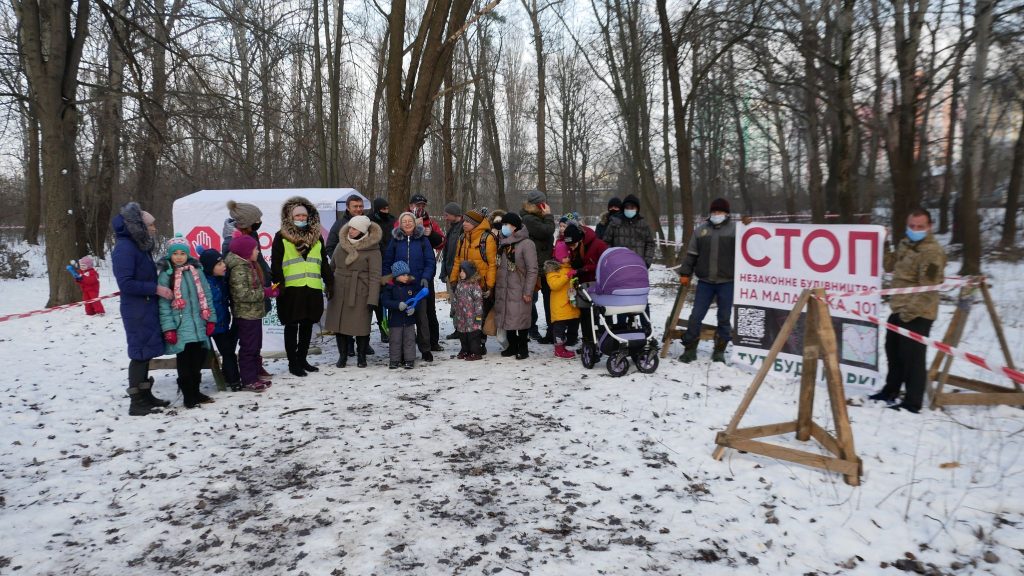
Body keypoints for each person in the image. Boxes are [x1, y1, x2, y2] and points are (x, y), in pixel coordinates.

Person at [870, 208, 947, 413]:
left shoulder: (932, 252)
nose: (915, 230)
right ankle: (890, 391)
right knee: (893, 352)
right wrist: (884, 242)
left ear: (929, 227)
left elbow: (929, 289)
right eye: (911, 226)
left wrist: (907, 315)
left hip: (918, 312)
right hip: (899, 307)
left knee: (913, 359)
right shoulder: (905, 243)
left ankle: (912, 403)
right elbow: (889, 266)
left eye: (920, 227)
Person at [112, 202, 173, 416]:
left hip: (146, 306)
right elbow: (126, 283)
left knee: (146, 352)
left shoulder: (138, 247)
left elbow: (141, 273)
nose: (155, 228)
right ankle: (137, 401)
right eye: (151, 225)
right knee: (139, 353)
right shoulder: (124, 248)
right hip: (137, 309)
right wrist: (155, 288)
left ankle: (146, 396)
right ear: (139, 226)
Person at [271, 196, 332, 377]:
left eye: (303, 216)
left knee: (307, 326)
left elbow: (323, 263)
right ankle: (293, 363)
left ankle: (302, 359)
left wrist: (331, 282)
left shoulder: (317, 237)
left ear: (309, 217)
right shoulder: (281, 237)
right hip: (290, 289)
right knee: (291, 326)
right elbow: (275, 264)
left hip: (311, 288)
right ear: (290, 217)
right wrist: (278, 285)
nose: (300, 219)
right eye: (297, 216)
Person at [157, 234, 218, 408]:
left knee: (198, 358)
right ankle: (188, 395)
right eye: (175, 253)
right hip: (180, 326)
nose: (178, 257)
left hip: (199, 323)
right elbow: (164, 305)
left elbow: (206, 295)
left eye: (182, 253)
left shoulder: (196, 271)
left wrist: (211, 319)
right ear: (169, 255)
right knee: (185, 361)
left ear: (187, 254)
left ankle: (196, 391)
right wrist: (169, 328)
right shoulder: (166, 276)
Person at [676, 198, 737, 364]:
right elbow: (691, 255)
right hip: (705, 282)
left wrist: (750, 226)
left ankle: (719, 351)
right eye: (714, 212)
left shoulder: (735, 230)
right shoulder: (701, 231)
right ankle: (690, 349)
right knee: (696, 315)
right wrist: (685, 273)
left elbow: (751, 246)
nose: (717, 214)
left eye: (720, 212)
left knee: (724, 317)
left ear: (726, 213)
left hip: (727, 281)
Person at [223, 200, 273, 381]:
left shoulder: (252, 234)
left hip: (257, 290)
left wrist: (267, 274)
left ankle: (255, 367)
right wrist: (260, 290)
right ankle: (241, 373)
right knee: (246, 338)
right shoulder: (232, 242)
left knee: (254, 338)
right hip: (245, 301)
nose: (259, 222)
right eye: (257, 219)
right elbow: (234, 275)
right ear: (246, 222)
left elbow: (258, 260)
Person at [325, 215, 382, 368]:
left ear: (363, 231)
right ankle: (342, 355)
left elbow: (375, 276)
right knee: (339, 325)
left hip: (360, 291)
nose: (351, 230)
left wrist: (372, 299)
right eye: (350, 227)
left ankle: (361, 356)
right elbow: (332, 267)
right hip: (339, 289)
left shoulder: (373, 249)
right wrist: (329, 287)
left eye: (355, 228)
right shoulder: (340, 245)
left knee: (361, 326)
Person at [383, 211, 438, 362]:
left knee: (422, 318)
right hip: (399, 287)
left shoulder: (422, 240)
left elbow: (430, 261)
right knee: (400, 319)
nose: (407, 224)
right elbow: (387, 262)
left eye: (410, 221)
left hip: (418, 284)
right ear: (400, 224)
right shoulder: (395, 240)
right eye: (404, 221)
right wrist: (389, 280)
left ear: (415, 223)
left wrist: (426, 277)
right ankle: (400, 351)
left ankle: (425, 349)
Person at [603, 194, 656, 331]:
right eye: (627, 207)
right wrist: (612, 261)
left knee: (641, 298)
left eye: (632, 207)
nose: (629, 209)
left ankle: (646, 326)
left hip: (638, 269)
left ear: (637, 209)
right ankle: (622, 327)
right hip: (619, 269)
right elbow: (606, 243)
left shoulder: (643, 224)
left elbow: (650, 244)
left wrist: (646, 262)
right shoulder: (615, 223)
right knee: (622, 299)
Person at [494, 212, 538, 360]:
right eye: (503, 225)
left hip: (519, 287)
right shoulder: (503, 242)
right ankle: (512, 346)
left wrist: (528, 291)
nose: (504, 228)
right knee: (508, 317)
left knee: (521, 318)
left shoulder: (526, 244)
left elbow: (532, 270)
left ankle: (523, 347)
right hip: (504, 287)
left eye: (507, 225)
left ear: (515, 226)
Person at [407, 194, 446, 351]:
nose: (420, 208)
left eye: (423, 205)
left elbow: (441, 243)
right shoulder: (403, 221)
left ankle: (432, 341)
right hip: (407, 273)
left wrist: (432, 234)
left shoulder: (431, 223)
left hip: (425, 272)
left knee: (429, 308)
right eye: (417, 205)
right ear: (410, 206)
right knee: (408, 306)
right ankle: (407, 340)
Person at [199, 248, 241, 390]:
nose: (224, 265)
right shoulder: (203, 283)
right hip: (208, 324)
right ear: (210, 268)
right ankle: (232, 379)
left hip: (222, 323)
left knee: (228, 352)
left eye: (223, 262)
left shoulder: (221, 280)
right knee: (206, 354)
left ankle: (233, 380)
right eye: (219, 264)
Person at [563, 223, 608, 347]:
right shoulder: (575, 248)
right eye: (569, 246)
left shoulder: (598, 245)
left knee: (598, 314)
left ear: (580, 239)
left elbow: (604, 264)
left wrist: (584, 269)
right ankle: (587, 341)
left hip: (597, 284)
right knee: (585, 314)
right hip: (582, 286)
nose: (571, 248)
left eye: (573, 245)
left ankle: (603, 340)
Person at [520, 189, 556, 343]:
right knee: (531, 299)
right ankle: (531, 328)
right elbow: (547, 231)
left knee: (550, 300)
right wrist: (548, 215)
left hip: (545, 264)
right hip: (536, 266)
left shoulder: (536, 217)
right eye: (543, 203)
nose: (546, 205)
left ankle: (551, 330)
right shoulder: (529, 218)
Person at [381, 261, 420, 369]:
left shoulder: (411, 286)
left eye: (407, 274)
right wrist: (397, 305)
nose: (406, 277)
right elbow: (385, 301)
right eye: (403, 275)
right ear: (396, 276)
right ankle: (394, 360)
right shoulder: (390, 287)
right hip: (395, 320)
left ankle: (409, 360)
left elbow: (416, 300)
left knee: (409, 340)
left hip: (409, 320)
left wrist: (414, 308)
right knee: (395, 341)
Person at [544, 241, 580, 359]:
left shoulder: (569, 267)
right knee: (559, 328)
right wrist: (567, 276)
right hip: (559, 305)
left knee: (572, 324)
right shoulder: (553, 269)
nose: (567, 259)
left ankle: (565, 344)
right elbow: (554, 285)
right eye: (565, 257)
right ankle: (558, 349)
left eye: (569, 256)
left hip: (569, 303)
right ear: (558, 257)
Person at [369, 197, 396, 343]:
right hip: (375, 264)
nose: (386, 211)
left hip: (391, 263)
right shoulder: (369, 221)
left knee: (392, 296)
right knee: (378, 300)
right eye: (383, 209)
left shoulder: (392, 220)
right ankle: (382, 328)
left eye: (387, 208)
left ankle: (393, 327)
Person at [439, 202, 465, 340]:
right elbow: (447, 251)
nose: (445, 217)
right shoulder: (452, 229)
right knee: (454, 302)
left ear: (455, 214)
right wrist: (444, 272)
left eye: (447, 215)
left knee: (461, 302)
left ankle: (463, 329)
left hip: (460, 273)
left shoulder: (463, 229)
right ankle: (458, 328)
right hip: (450, 272)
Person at [452, 261, 485, 361]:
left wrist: (478, 315)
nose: (461, 273)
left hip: (473, 317)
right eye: (460, 271)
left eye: (463, 271)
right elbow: (455, 298)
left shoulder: (474, 286)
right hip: (462, 317)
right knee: (463, 335)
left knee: (473, 336)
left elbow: (478, 301)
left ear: (469, 272)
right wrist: (453, 308)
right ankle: (465, 350)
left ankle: (475, 352)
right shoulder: (459, 285)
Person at [325, 194, 366, 261]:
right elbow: (330, 247)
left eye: (360, 206)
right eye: (355, 206)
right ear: (348, 207)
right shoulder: (339, 224)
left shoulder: (369, 224)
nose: (358, 209)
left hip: (365, 268)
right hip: (345, 268)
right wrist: (340, 263)